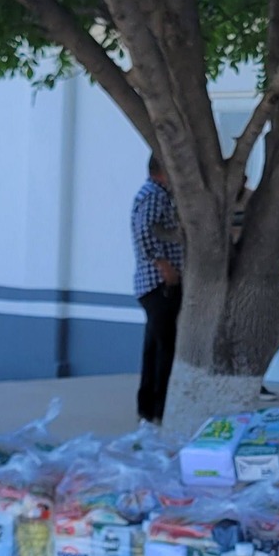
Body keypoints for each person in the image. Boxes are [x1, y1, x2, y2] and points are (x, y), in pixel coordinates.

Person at [130, 153, 184, 423]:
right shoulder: (155, 195)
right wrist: (164, 266)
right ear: (163, 170)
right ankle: (160, 408)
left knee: (154, 347)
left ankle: (148, 407)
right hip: (159, 285)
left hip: (155, 285)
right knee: (165, 348)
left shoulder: (155, 193)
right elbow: (145, 231)